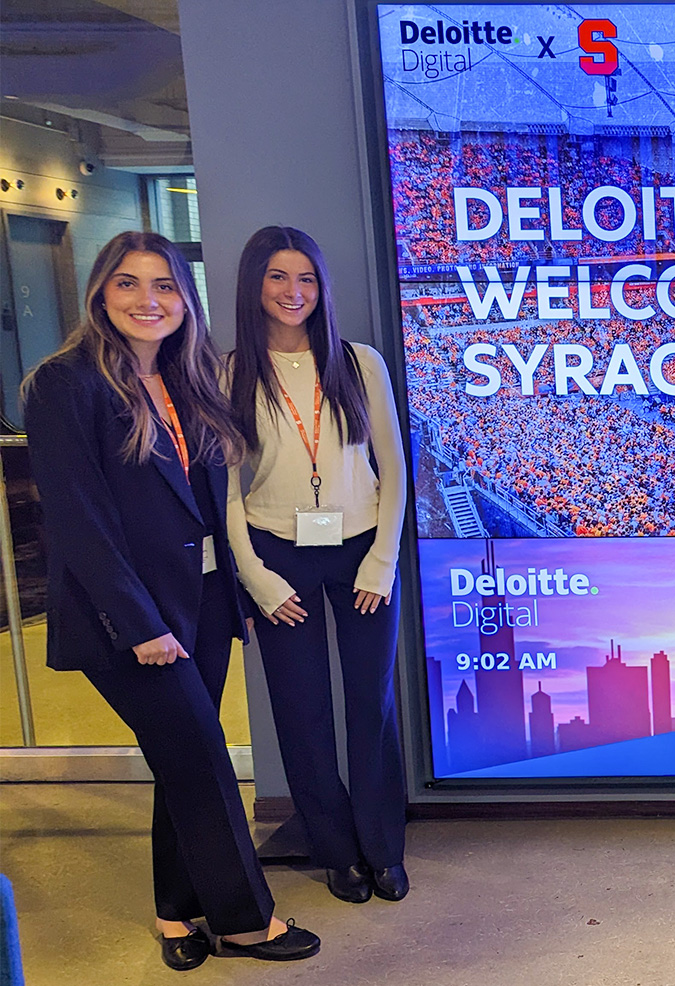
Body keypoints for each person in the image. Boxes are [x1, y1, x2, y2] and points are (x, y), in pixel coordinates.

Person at [22, 231, 319, 968]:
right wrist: (141, 624)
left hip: (206, 597)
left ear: (186, 302)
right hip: (131, 617)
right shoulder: (66, 383)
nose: (148, 301)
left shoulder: (188, 378)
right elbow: (77, 520)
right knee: (202, 757)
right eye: (129, 284)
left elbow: (205, 504)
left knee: (180, 758)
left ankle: (176, 913)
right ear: (100, 292)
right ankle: (246, 921)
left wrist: (234, 595)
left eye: (164, 287)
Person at [226, 226, 410, 904]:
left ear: (321, 287)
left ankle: (383, 847)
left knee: (372, 703)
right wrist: (255, 575)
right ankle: (336, 852)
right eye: (278, 276)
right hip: (277, 554)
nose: (293, 291)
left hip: (363, 547)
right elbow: (226, 490)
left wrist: (382, 561)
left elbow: (393, 467)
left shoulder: (360, 363)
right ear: (255, 284)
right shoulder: (228, 370)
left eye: (306, 278)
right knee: (301, 712)